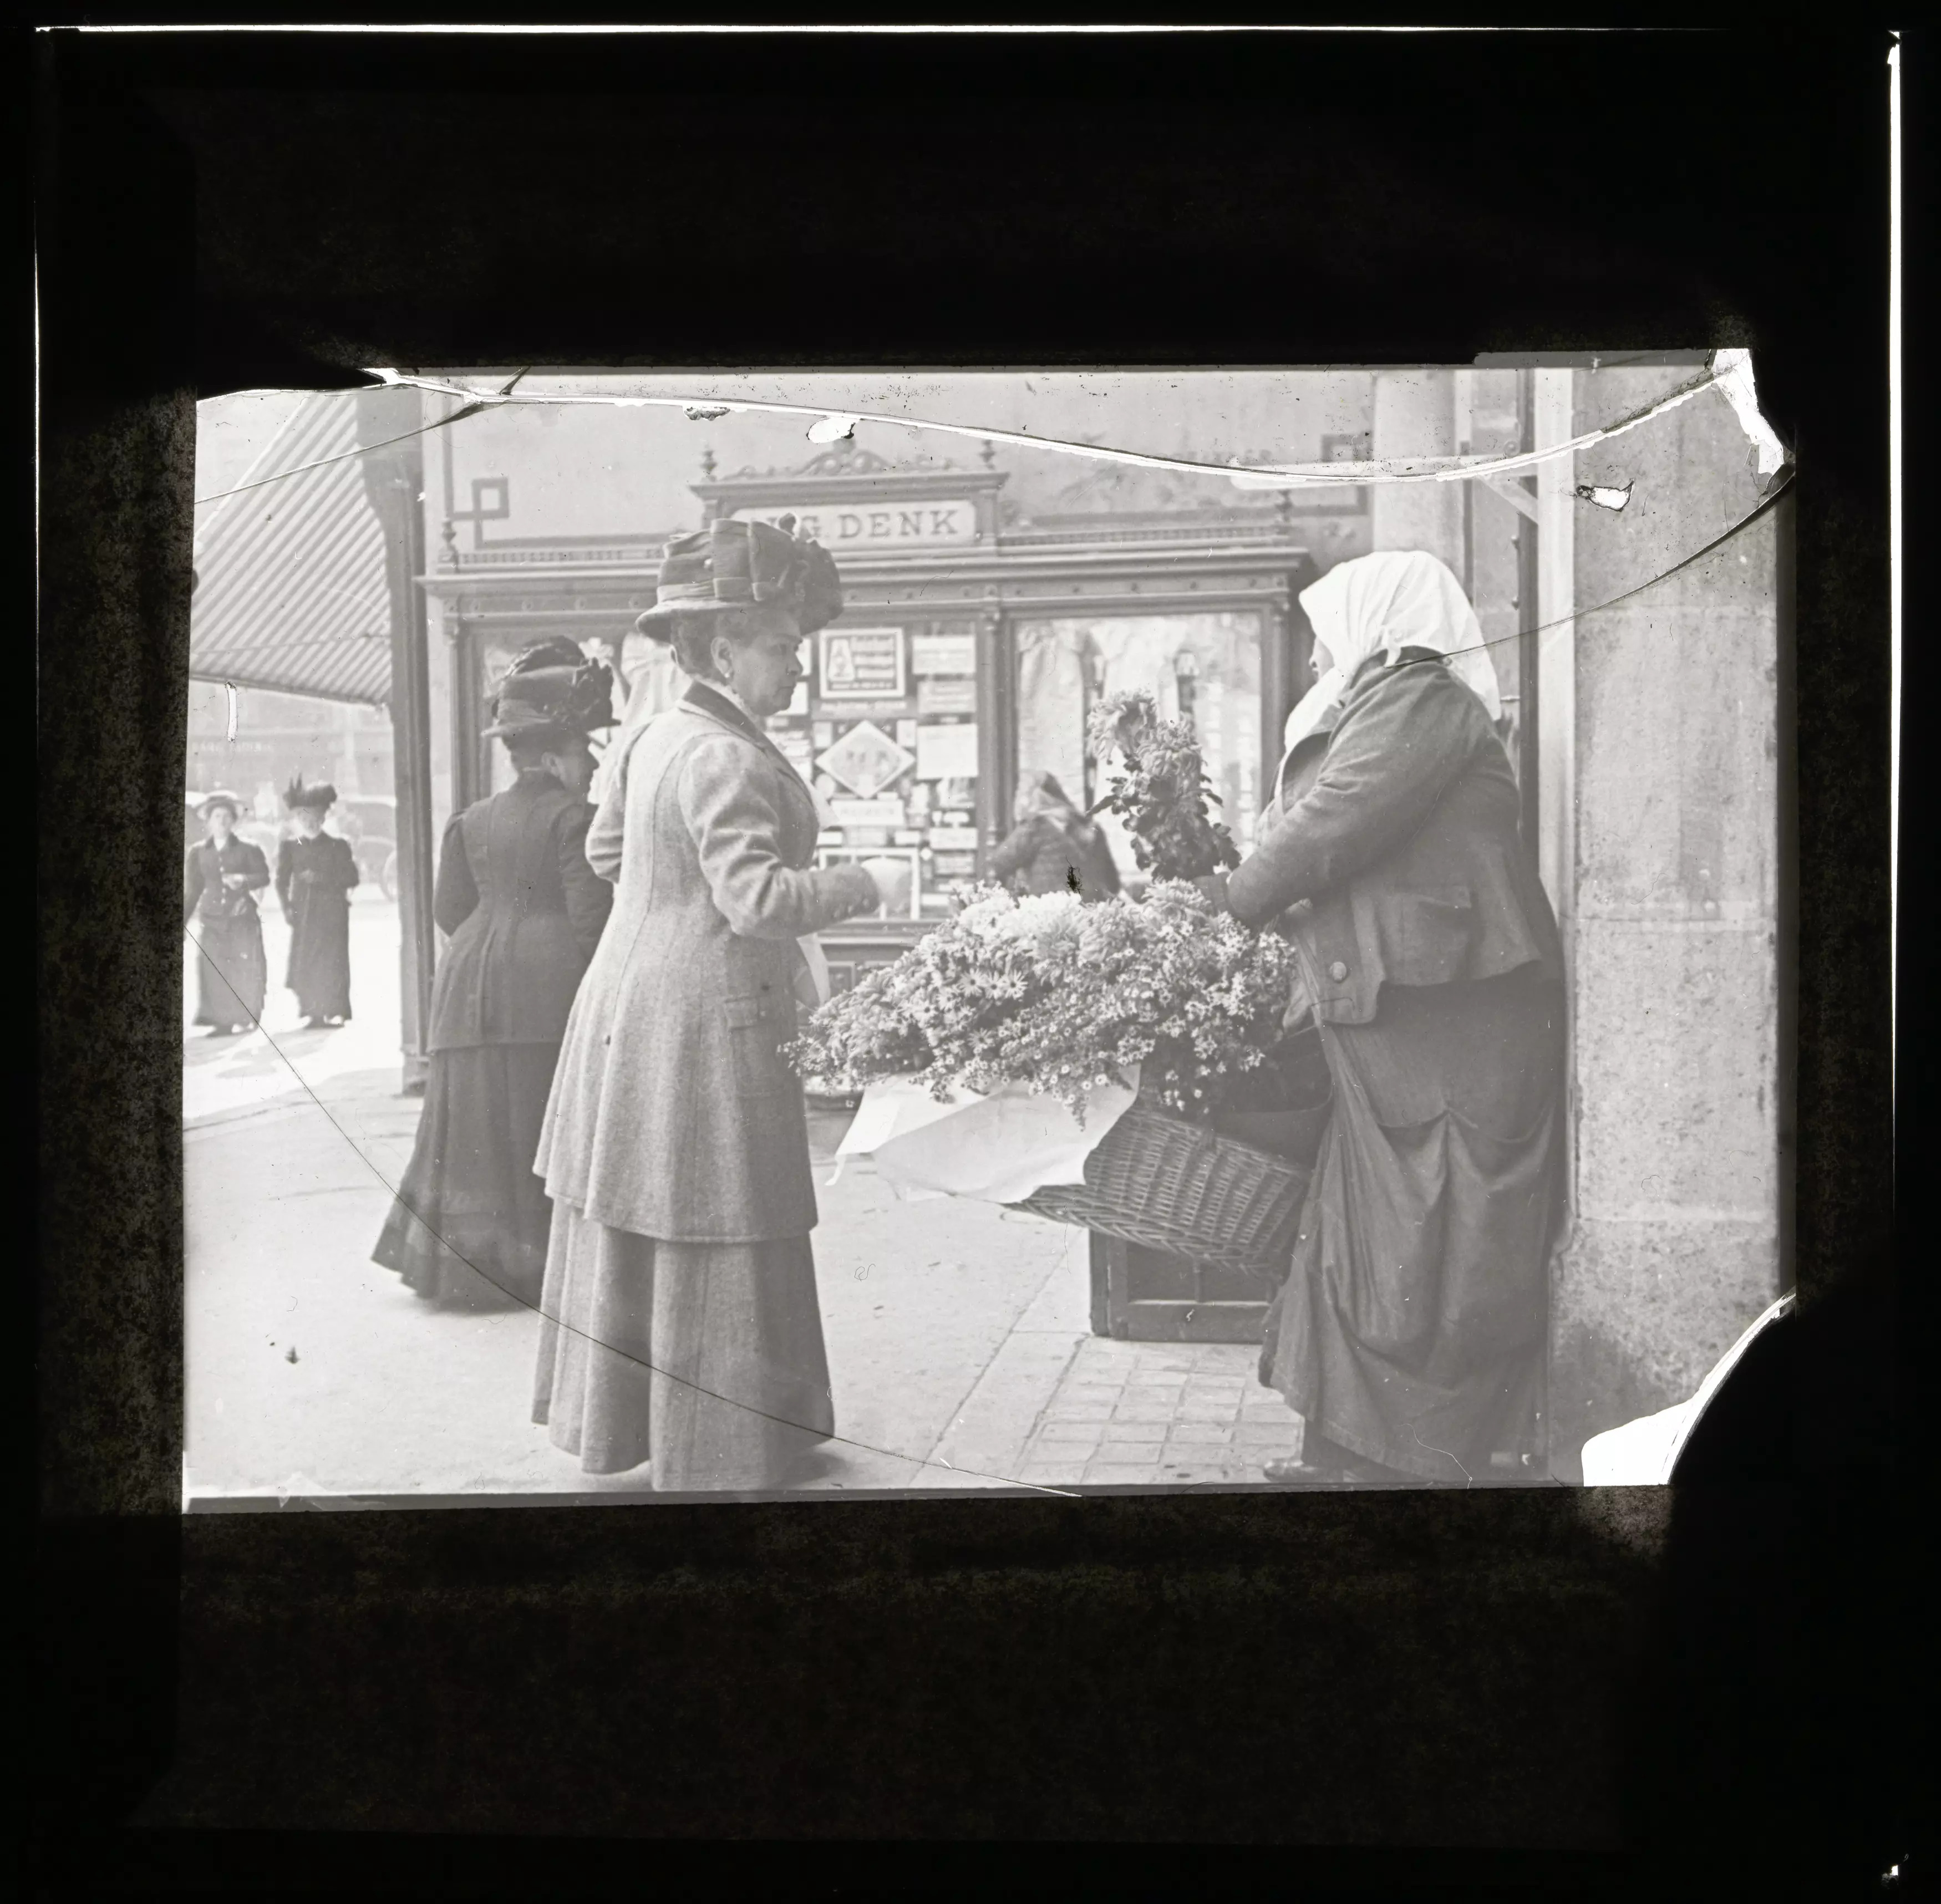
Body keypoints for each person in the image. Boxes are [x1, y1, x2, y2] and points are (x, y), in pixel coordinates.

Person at [531, 516, 896, 1488]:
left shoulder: (659, 733)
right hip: (704, 1015)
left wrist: (663, 899)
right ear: (721, 645)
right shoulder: (725, 756)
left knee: (663, 1212)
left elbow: (610, 856)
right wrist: (860, 884)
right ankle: (722, 1446)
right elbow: (759, 901)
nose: (796, 666)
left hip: (632, 1002)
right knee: (715, 1217)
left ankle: (661, 1430)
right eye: (781, 646)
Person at [1208, 550, 1566, 1487]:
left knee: (1428, 1228)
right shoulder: (1392, 705)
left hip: (1445, 1011)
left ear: (1380, 620)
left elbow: (1334, 818)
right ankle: (1348, 1453)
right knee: (1372, 1225)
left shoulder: (1421, 697)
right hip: (1407, 1010)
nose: (1323, 649)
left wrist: (1231, 899)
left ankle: (1407, 1464)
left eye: (1332, 627)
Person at [373, 640, 617, 1311]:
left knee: (466, 1127)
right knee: (531, 1126)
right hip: (544, 991)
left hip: (465, 988)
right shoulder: (576, 819)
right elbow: (591, 921)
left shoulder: (470, 820)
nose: (590, 765)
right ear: (549, 755)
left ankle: (460, 1273)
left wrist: (487, 958)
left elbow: (449, 909)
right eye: (581, 751)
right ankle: (530, 1272)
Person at [183, 790, 271, 1037]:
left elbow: (263, 876)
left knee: (243, 966)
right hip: (212, 919)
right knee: (213, 968)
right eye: (216, 817)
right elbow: (193, 891)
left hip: (241, 918)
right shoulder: (198, 853)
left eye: (226, 817)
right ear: (208, 822)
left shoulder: (249, 849)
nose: (221, 822)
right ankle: (221, 1022)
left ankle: (246, 1015)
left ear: (233, 821)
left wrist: (243, 879)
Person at [275, 775, 360, 1027]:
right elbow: (280, 881)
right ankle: (311, 1012)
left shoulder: (338, 845)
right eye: (305, 819)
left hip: (333, 915)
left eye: (315, 819)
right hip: (304, 914)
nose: (310, 823)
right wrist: (287, 909)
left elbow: (352, 878)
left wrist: (321, 878)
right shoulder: (291, 847)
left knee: (331, 961)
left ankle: (330, 1010)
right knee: (306, 961)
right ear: (298, 820)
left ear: (323, 819)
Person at [988, 770, 1121, 902]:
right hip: (1093, 912)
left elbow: (998, 864)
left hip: (1052, 915)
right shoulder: (1092, 828)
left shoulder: (1035, 828)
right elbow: (1113, 884)